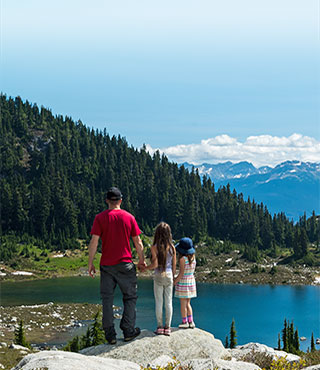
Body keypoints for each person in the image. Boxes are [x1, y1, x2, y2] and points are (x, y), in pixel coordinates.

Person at [88, 187, 146, 344]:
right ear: (120, 200)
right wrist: (141, 260)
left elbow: (94, 241)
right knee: (130, 297)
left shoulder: (100, 218)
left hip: (106, 265)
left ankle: (110, 335)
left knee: (107, 299)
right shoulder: (129, 217)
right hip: (125, 264)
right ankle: (128, 330)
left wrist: (90, 263)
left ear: (107, 200)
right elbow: (137, 242)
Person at [144, 222, 176, 336]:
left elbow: (155, 264)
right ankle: (168, 327)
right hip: (169, 276)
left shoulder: (154, 247)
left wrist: (146, 268)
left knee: (159, 302)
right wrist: (172, 277)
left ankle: (159, 327)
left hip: (158, 276)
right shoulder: (172, 248)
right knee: (168, 302)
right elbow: (173, 265)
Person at [174, 237, 197, 329]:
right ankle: (191, 321)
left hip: (183, 283)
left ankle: (184, 322)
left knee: (183, 304)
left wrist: (174, 281)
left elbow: (181, 274)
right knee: (188, 304)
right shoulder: (193, 258)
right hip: (191, 281)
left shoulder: (182, 259)